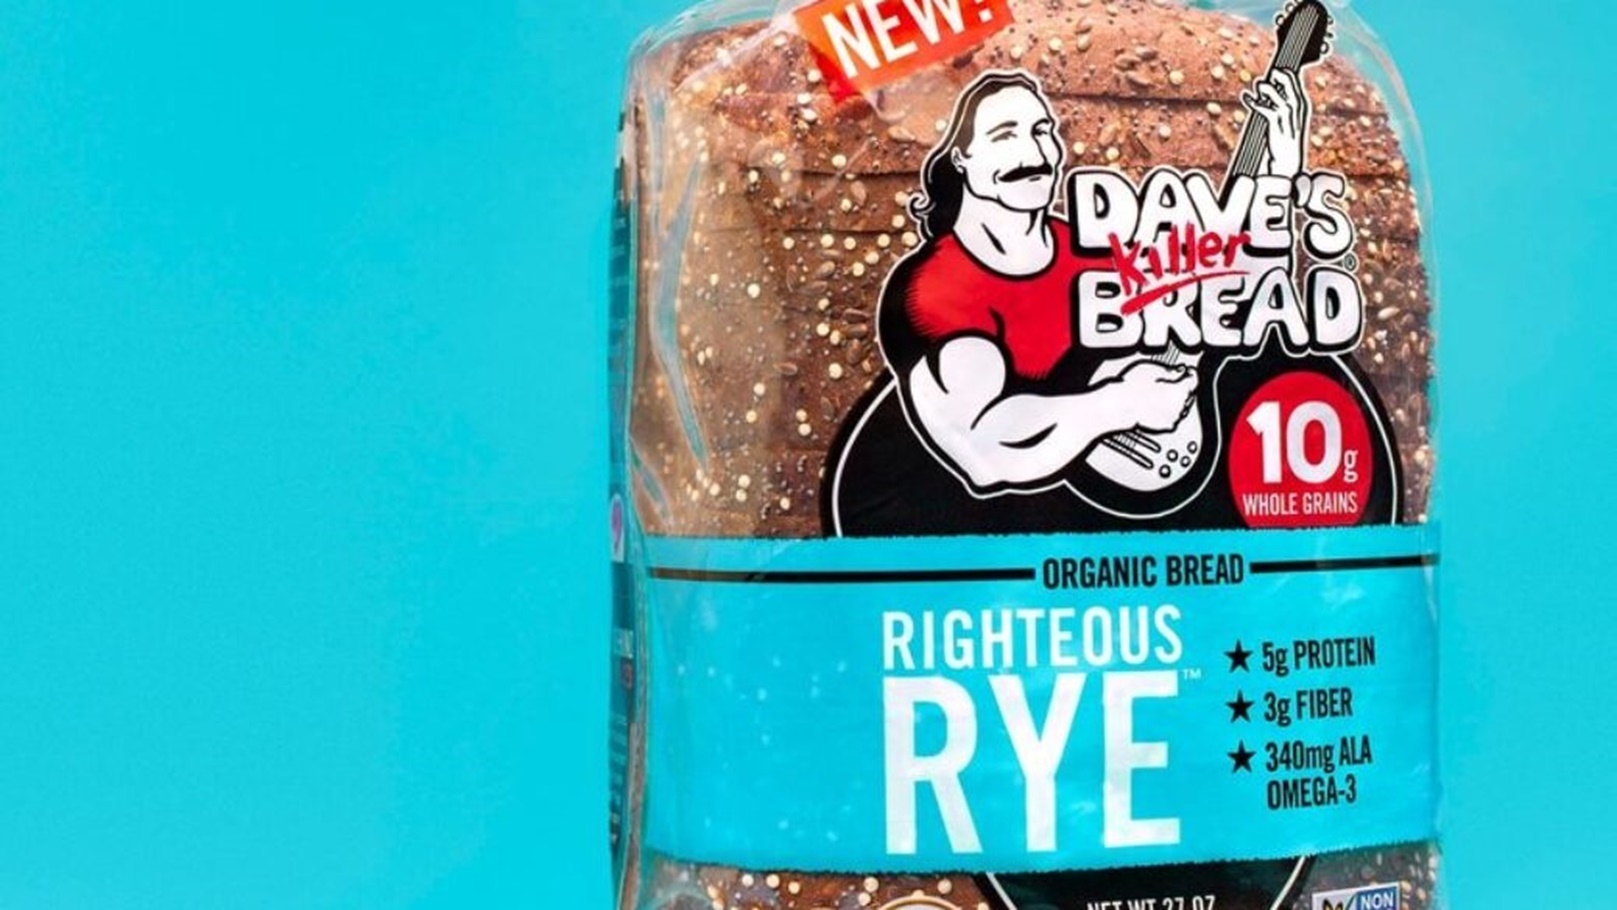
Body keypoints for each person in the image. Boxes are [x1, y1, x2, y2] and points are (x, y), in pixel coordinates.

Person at [877, 69, 1307, 497]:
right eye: (1005, 135)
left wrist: (1279, 176)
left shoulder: (1093, 249)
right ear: (961, 158)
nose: (1033, 154)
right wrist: (1121, 404)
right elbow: (981, 445)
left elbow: (1223, 296)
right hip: (998, 531)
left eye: (1042, 131)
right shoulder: (935, 288)